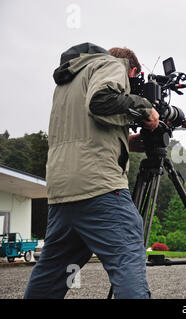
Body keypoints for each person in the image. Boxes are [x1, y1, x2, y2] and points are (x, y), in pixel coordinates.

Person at [24, 43, 159, 299]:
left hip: (62, 192)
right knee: (127, 256)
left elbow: (81, 131)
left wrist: (125, 143)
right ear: (133, 71)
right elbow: (101, 102)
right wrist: (146, 109)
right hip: (99, 187)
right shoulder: (112, 65)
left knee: (52, 273)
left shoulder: (68, 80)